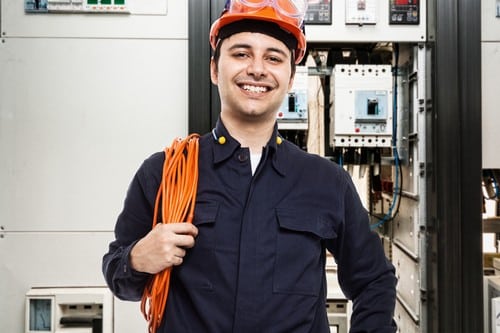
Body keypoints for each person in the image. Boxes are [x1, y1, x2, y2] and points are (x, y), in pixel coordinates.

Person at [102, 0, 397, 332]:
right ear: (215, 69)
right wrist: (137, 259)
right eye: (241, 54)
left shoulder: (326, 182)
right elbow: (118, 274)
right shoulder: (164, 173)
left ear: (289, 77)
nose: (257, 69)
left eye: (273, 58)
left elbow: (374, 280)